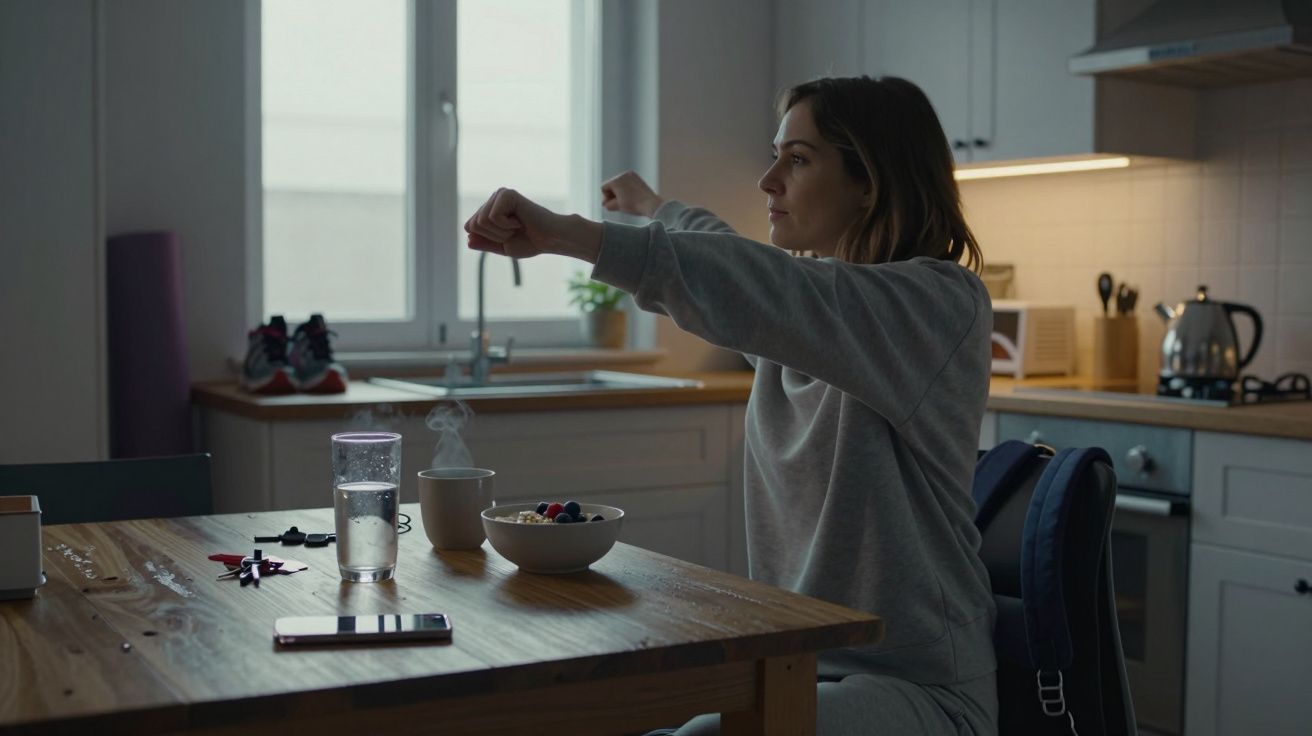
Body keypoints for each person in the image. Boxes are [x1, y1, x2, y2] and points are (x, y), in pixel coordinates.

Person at [464, 75, 997, 736]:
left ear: (871, 182)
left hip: (921, 691)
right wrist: (655, 208)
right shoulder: (802, 330)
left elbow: (768, 287)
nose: (767, 179)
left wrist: (575, 235)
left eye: (798, 160)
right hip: (796, 664)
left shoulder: (937, 307)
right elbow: (750, 271)